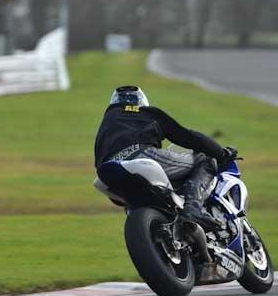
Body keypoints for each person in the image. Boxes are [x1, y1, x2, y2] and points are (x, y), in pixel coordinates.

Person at [94, 86, 236, 229]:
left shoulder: (107, 122)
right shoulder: (148, 112)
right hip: (142, 154)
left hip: (106, 172)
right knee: (204, 159)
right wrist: (221, 153)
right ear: (141, 101)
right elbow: (187, 137)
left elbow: (114, 195)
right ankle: (193, 207)